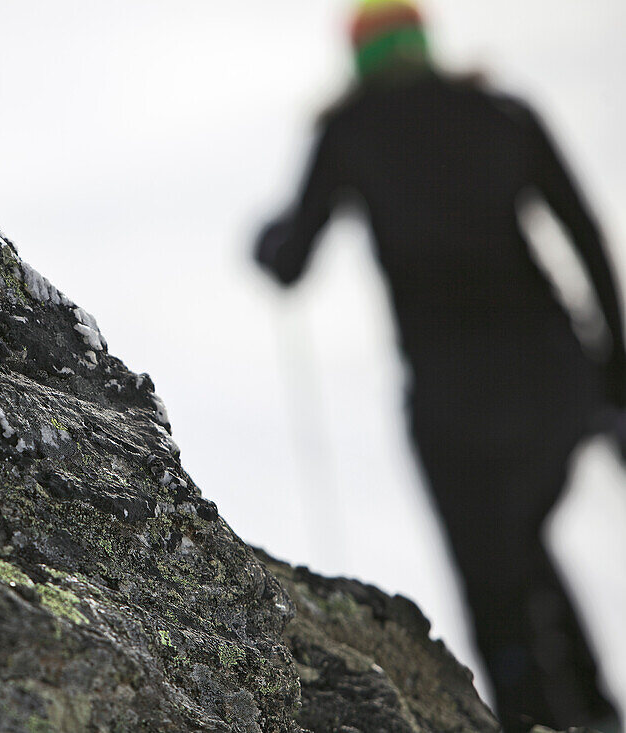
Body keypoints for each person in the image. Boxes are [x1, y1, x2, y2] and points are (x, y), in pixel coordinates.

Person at [253, 2, 624, 731]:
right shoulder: (501, 112)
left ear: (358, 54)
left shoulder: (348, 132)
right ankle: (595, 708)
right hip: (553, 377)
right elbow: (586, 235)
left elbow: (291, 260)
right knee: (521, 541)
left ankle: (539, 714)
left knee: (495, 578)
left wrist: (265, 242)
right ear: (424, 42)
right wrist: (615, 372)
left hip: (454, 399)